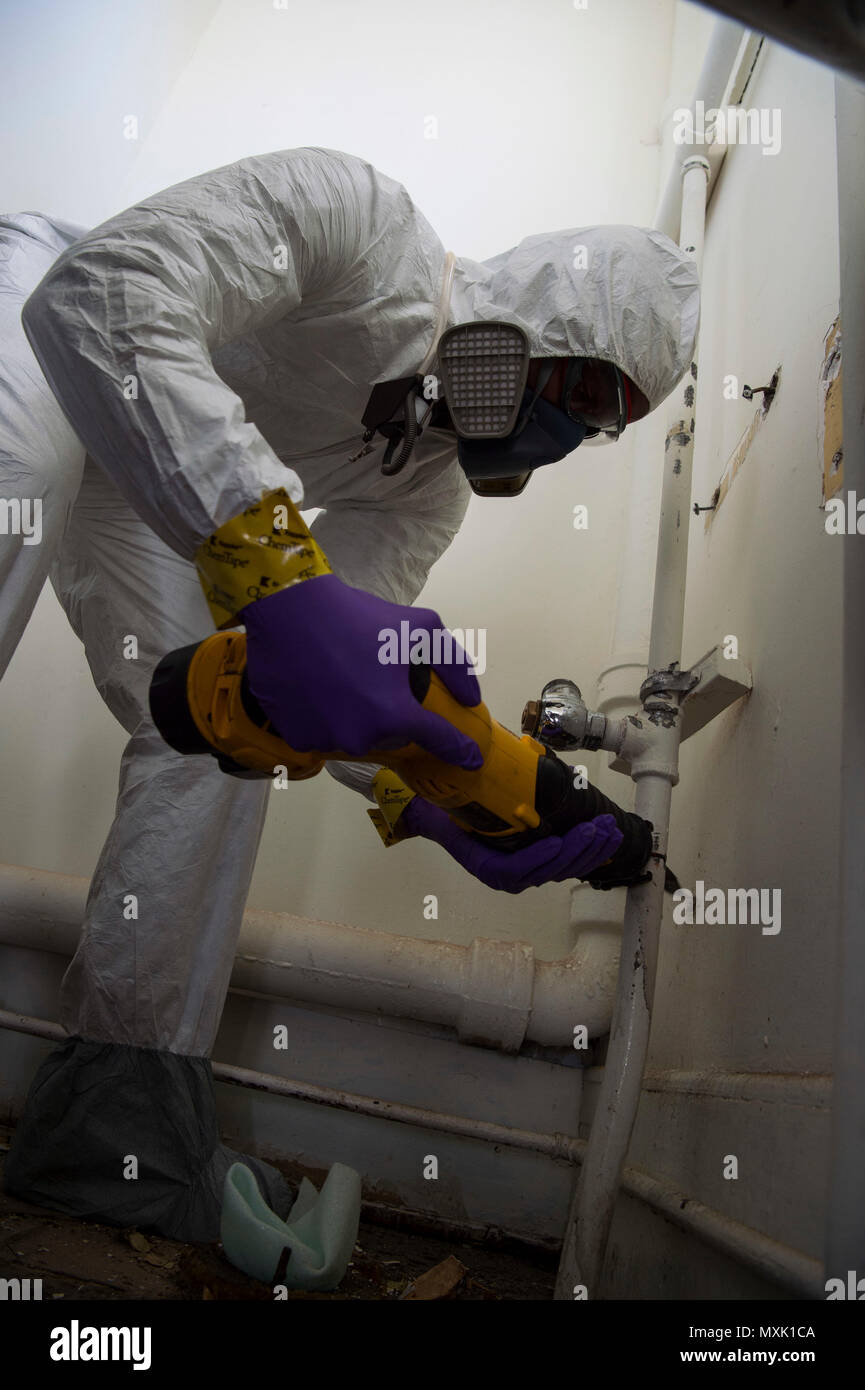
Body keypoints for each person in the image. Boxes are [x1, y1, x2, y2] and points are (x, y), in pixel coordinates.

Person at [0, 147, 699, 1241]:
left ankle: (113, 1124)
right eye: (585, 391)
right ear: (538, 320)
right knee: (16, 483)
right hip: (44, 328)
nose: (569, 437)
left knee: (226, 738)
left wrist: (441, 793)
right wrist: (271, 568)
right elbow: (101, 296)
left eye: (602, 427)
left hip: (141, 495)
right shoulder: (360, 224)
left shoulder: (427, 495)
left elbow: (326, 686)